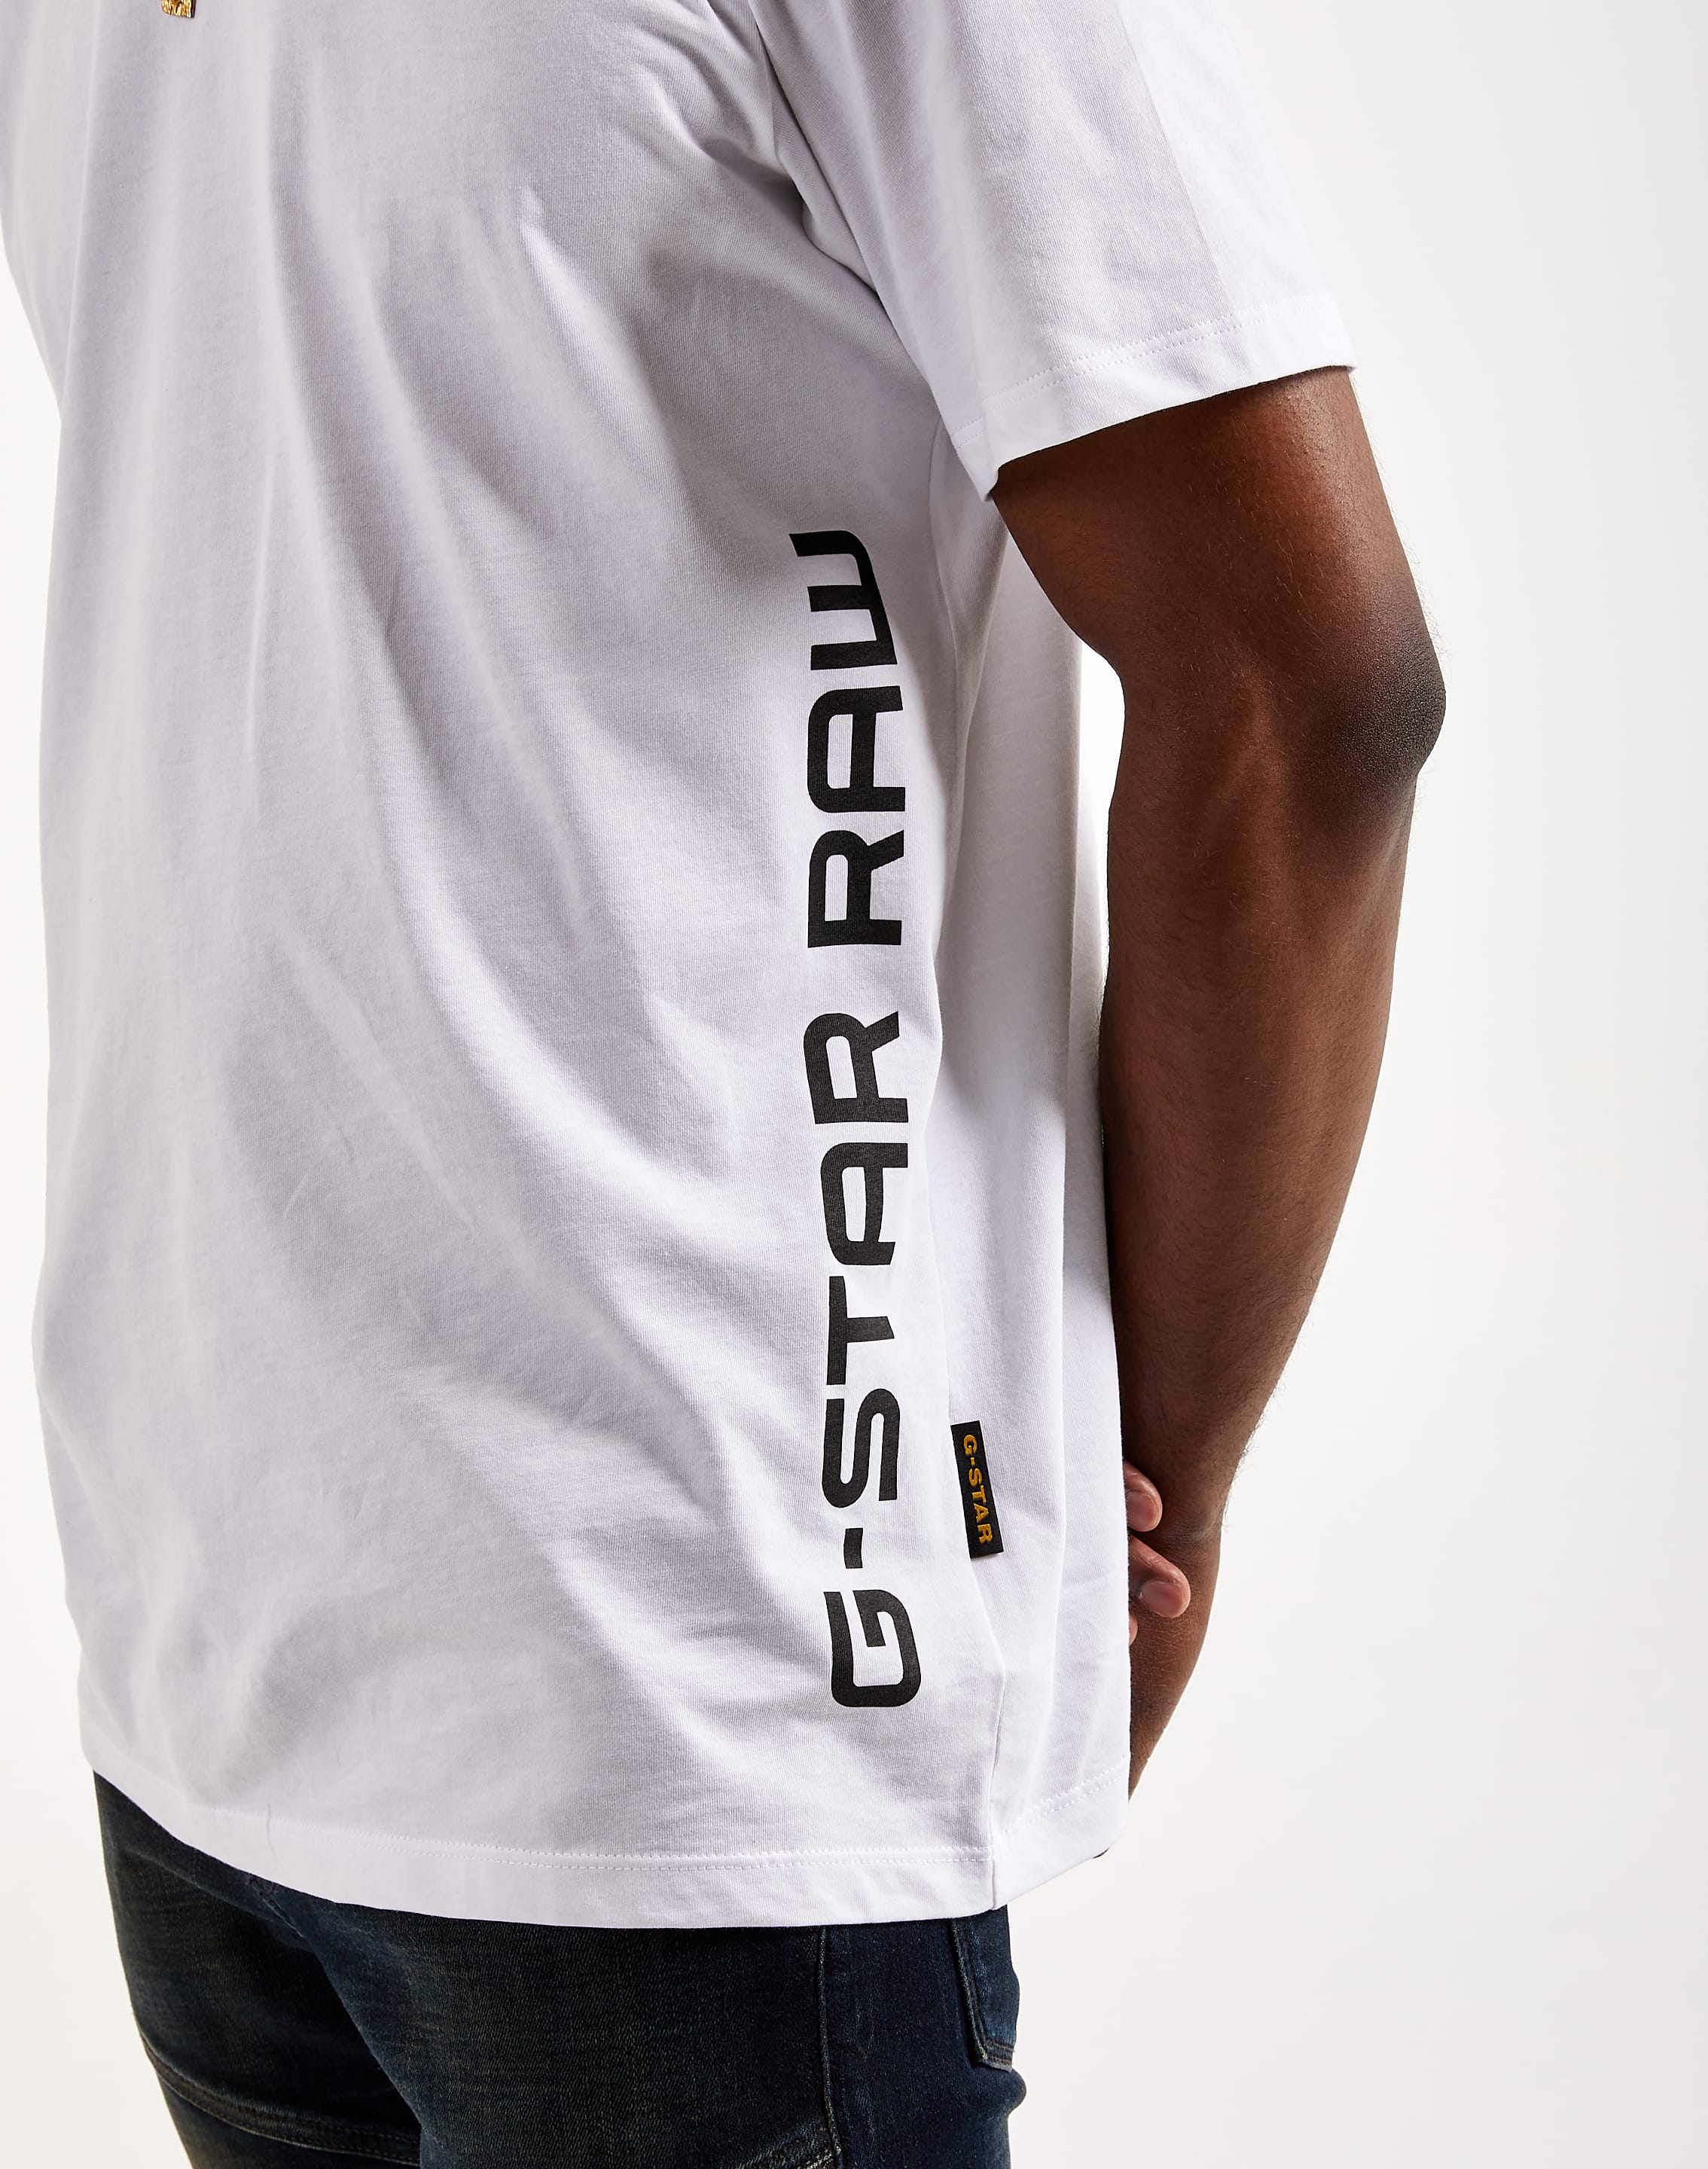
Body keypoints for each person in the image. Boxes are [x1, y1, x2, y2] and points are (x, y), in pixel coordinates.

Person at [0, 0, 1442, 2162]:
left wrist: (1153, 1466)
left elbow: (1303, 687)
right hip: (230, 1646)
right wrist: (1167, 1475)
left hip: (669, 1660)